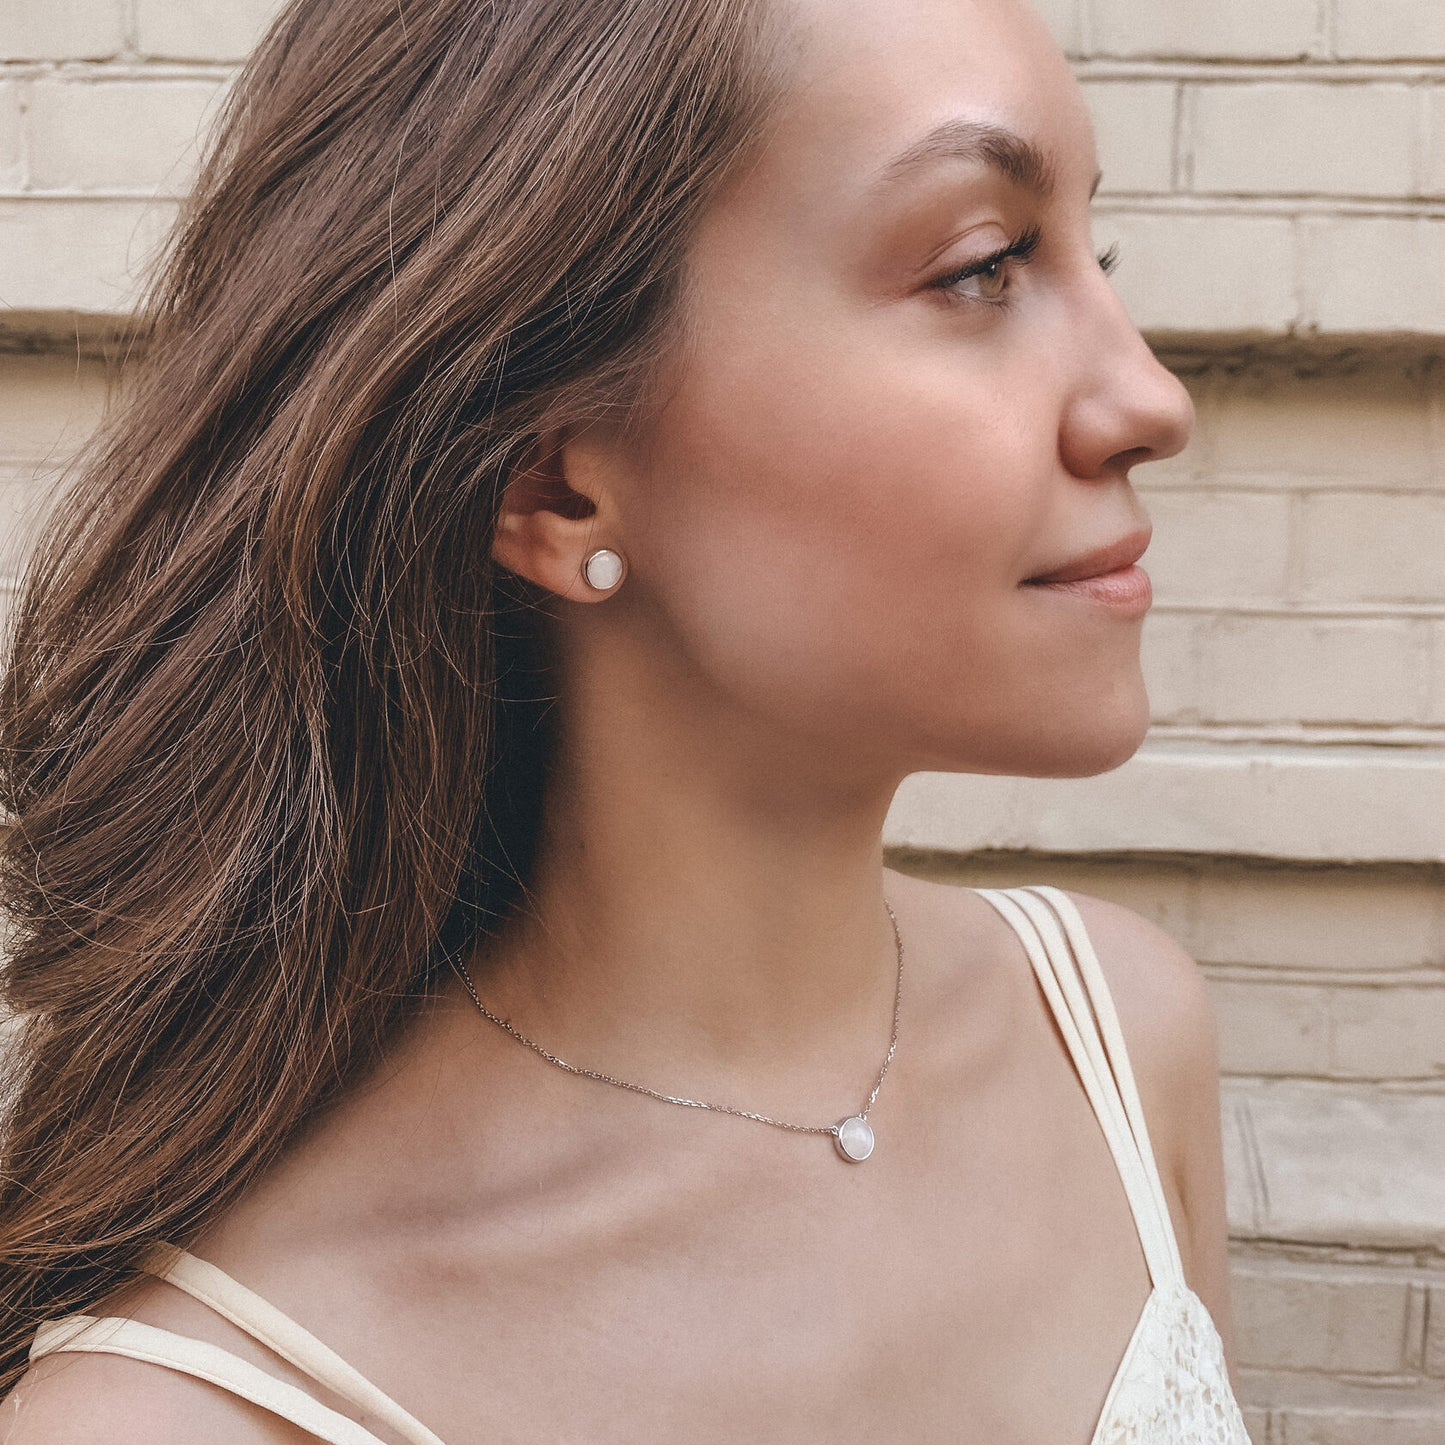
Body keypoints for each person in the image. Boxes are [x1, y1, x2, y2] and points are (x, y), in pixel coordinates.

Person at [0, 0, 1251, 1439]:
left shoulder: (1114, 1040)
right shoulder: (191, 1410)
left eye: (1097, 260)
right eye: (981, 270)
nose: (1150, 398)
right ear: (553, 488)